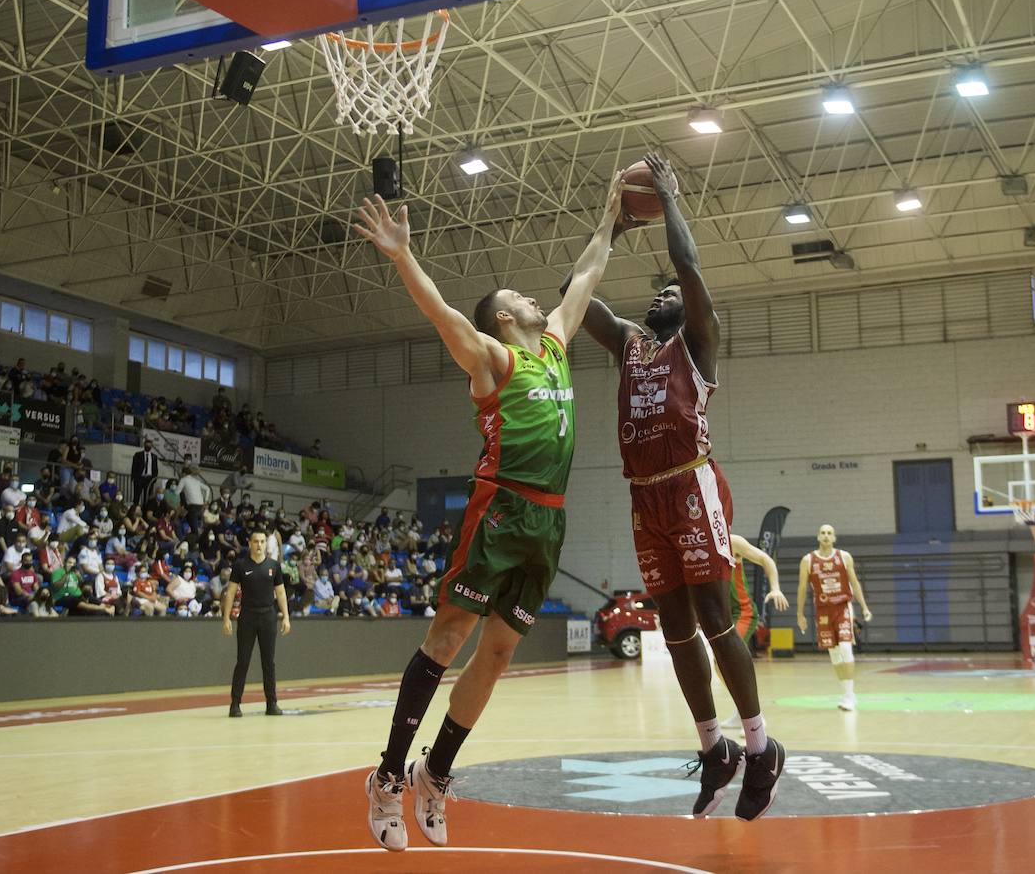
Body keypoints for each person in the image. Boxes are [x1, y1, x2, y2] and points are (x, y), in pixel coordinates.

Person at [352, 174, 620, 852]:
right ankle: (387, 777)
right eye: (517, 296)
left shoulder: (555, 343)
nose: (532, 297)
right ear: (501, 316)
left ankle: (434, 774)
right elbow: (441, 312)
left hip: (549, 523)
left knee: (498, 655)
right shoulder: (492, 358)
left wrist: (611, 219)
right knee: (448, 640)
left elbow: (586, 276)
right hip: (501, 510)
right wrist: (401, 256)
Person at [569, 153, 783, 821]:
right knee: (675, 627)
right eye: (656, 292)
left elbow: (687, 267)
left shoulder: (699, 341)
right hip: (644, 494)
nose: (661, 294)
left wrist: (667, 198)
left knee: (716, 617)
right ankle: (715, 746)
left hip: (691, 486)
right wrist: (610, 224)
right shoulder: (630, 343)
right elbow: (574, 295)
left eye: (671, 293)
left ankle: (761, 747)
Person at [797, 525, 873, 712]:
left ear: (834, 538)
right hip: (823, 611)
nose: (826, 536)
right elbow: (802, 588)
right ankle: (846, 693)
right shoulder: (808, 560)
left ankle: (849, 695)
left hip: (842, 607)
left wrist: (864, 607)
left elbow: (855, 583)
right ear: (818, 537)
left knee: (846, 648)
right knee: (834, 654)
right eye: (823, 533)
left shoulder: (844, 557)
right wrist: (800, 614)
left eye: (829, 533)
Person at [220, 530, 291, 717]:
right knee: (243, 661)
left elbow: (281, 593)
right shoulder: (240, 565)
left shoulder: (274, 566)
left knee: (269, 662)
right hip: (247, 617)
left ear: (266, 544)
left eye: (262, 541)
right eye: (256, 541)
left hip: (268, 616)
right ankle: (235, 704)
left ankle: (271, 703)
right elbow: (231, 592)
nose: (259, 545)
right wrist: (226, 618)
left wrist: (286, 616)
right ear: (250, 543)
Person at [727, 534, 789, 649]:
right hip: (715, 613)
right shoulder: (695, 547)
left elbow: (765, 559)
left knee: (728, 652)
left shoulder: (732, 542)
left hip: (741, 613)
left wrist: (775, 588)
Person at [131, 440, 159, 506]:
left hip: (149, 479)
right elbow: (134, 466)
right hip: (140, 478)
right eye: (147, 445)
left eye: (149, 445)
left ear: (151, 446)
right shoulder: (138, 454)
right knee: (137, 496)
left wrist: (154, 478)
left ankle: (145, 509)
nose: (148, 446)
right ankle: (135, 508)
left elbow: (155, 468)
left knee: (148, 497)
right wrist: (134, 477)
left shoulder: (154, 456)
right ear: (144, 445)